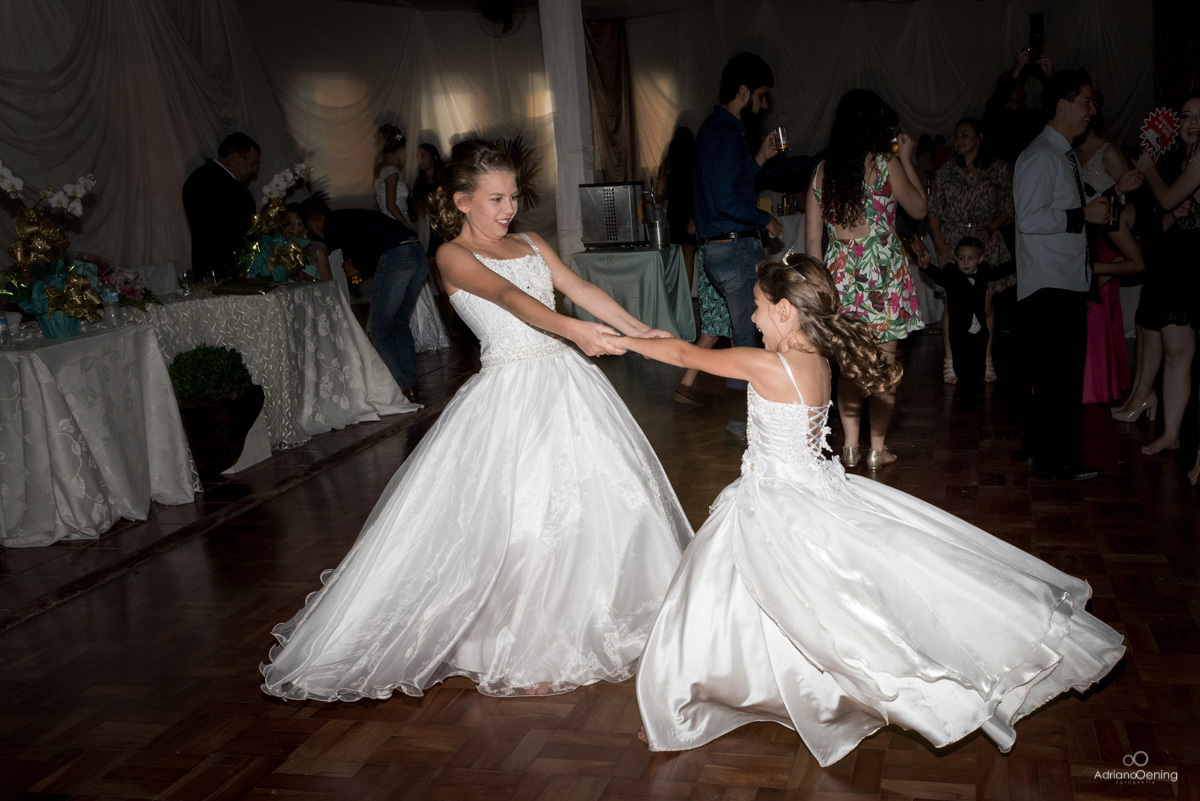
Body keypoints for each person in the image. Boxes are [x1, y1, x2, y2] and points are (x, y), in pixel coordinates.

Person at [610, 255, 1125, 766]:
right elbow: (679, 349)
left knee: (722, 596)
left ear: (786, 311)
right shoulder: (815, 359)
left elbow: (684, 355)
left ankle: (681, 701)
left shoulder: (768, 364)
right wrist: (652, 336)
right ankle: (742, 688)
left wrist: (621, 340)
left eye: (758, 308)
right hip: (811, 490)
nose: (751, 319)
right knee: (788, 599)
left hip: (775, 501)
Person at [261, 141, 692, 702]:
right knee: (525, 520)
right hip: (510, 398)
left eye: (513, 196)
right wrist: (576, 331)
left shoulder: (532, 241)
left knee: (606, 501)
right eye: (495, 198)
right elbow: (512, 299)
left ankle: (612, 616)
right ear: (462, 201)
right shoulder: (451, 256)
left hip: (568, 387)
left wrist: (639, 329)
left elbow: (579, 289)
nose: (508, 208)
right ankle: (530, 643)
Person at [1013, 70, 1142, 481]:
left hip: (1062, 280)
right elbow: (1030, 219)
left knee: (1052, 378)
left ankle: (1039, 450)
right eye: (1086, 101)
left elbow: (1076, 207)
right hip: (1051, 284)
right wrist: (1083, 214)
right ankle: (1057, 460)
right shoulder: (1042, 156)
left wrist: (1114, 191)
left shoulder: (1060, 154)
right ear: (1063, 105)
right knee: (1060, 380)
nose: (1093, 110)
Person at [806, 89, 926, 470]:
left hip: (840, 281)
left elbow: (812, 245)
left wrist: (822, 293)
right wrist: (905, 158)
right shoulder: (885, 163)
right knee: (884, 368)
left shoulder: (822, 172)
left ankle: (851, 448)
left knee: (849, 368)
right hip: (883, 277)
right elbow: (920, 208)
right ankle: (877, 448)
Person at [693, 52, 783, 435]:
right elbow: (730, 200)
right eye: (761, 96)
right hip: (734, 247)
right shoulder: (729, 134)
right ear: (743, 92)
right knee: (747, 340)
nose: (763, 104)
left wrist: (759, 157)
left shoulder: (711, 129)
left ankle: (742, 421)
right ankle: (742, 424)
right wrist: (766, 219)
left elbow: (727, 188)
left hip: (715, 248)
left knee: (741, 335)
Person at [1127, 94, 1200, 480]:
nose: (1192, 122)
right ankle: (1172, 433)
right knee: (1177, 353)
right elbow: (1172, 211)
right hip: (1182, 266)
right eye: (1187, 115)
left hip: (1193, 267)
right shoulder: (1186, 161)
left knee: (1183, 354)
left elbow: (1168, 194)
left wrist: (1149, 168)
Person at [300, 198, 427, 399]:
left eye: (308, 229)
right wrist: (358, 268)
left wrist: (354, 266)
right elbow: (367, 246)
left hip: (396, 255)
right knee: (399, 323)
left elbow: (356, 248)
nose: (312, 234)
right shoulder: (353, 215)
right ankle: (409, 385)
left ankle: (402, 387)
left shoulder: (332, 221)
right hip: (417, 252)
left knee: (378, 329)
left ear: (313, 222)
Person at [928, 117, 1014, 383]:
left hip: (984, 242)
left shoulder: (997, 169)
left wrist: (990, 228)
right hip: (953, 242)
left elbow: (1008, 208)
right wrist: (941, 245)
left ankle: (986, 360)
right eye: (956, 135)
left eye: (965, 135)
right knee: (951, 305)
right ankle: (950, 362)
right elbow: (933, 213)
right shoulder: (945, 171)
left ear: (979, 137)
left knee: (985, 305)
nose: (959, 140)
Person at [375, 126, 451, 353]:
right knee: (414, 279)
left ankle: (416, 330)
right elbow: (390, 204)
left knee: (411, 278)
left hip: (392, 229)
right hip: (399, 230)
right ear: (399, 148)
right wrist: (408, 228)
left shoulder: (380, 170)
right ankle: (420, 333)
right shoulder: (391, 171)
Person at [922, 237, 1014, 393]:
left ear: (980, 259)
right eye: (961, 258)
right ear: (955, 258)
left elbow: (999, 272)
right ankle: (951, 368)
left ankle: (984, 368)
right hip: (958, 326)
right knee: (959, 355)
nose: (965, 263)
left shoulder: (984, 270)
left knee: (979, 352)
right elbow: (938, 276)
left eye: (971, 259)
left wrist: (1017, 261)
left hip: (979, 324)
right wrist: (926, 266)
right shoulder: (951, 272)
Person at [181, 132, 260, 282]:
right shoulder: (203, 180)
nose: (254, 170)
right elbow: (215, 230)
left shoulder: (230, 182)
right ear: (235, 157)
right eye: (253, 163)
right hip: (218, 275)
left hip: (233, 272)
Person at [984, 48, 1055, 168]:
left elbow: (1056, 113)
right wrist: (1016, 70)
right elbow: (995, 103)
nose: (1017, 86)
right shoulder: (994, 116)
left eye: (1020, 82)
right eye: (1012, 82)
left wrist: (1049, 78)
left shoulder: (1032, 117)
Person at [283, 203, 332, 281]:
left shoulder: (317, 249)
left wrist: (307, 277)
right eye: (289, 223)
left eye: (298, 224)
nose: (292, 228)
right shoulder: (276, 249)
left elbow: (329, 285)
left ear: (306, 228)